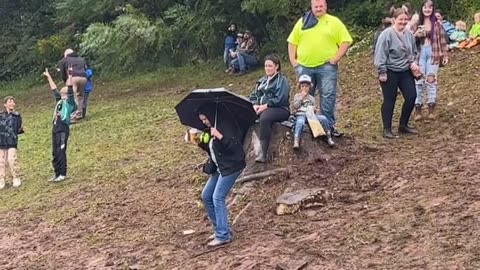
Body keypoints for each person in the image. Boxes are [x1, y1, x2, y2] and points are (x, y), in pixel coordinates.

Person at [287, 0, 352, 137]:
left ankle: (328, 126)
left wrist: (336, 58)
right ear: (311, 7)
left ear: (326, 6)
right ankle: (306, 126)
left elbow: (345, 41)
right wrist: (293, 61)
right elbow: (292, 41)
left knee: (328, 96)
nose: (318, 9)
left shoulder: (334, 22)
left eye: (321, 6)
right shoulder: (303, 21)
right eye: (316, 6)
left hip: (326, 66)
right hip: (304, 66)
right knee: (305, 97)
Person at [196, 104, 246, 247]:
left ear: (211, 115)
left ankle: (223, 235)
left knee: (218, 197)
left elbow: (234, 148)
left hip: (232, 166)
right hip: (220, 167)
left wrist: (220, 136)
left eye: (205, 119)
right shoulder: (209, 129)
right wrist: (199, 142)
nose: (204, 122)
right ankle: (221, 228)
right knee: (206, 196)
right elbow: (213, 150)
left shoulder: (226, 126)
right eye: (202, 120)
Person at [374, 7, 420, 139]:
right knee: (390, 100)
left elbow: (413, 51)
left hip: (405, 71)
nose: (403, 22)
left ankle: (403, 125)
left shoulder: (409, 34)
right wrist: (382, 71)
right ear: (394, 19)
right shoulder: (386, 34)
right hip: (390, 71)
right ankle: (387, 129)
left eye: (406, 19)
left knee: (411, 96)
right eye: (401, 19)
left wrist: (414, 63)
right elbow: (380, 54)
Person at [249, 54, 290, 163]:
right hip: (261, 108)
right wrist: (255, 104)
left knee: (265, 118)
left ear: (276, 66)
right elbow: (253, 95)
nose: (267, 68)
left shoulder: (282, 80)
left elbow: (281, 98)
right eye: (266, 66)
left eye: (270, 66)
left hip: (280, 109)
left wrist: (266, 105)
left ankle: (263, 152)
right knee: (244, 115)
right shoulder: (261, 81)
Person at [413, 0, 448, 121]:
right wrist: (415, 35)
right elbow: (409, 41)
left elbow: (443, 41)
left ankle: (431, 107)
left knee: (431, 79)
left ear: (433, 9)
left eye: (430, 7)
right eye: (425, 7)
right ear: (421, 9)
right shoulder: (417, 23)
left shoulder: (437, 24)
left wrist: (445, 55)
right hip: (420, 54)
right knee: (418, 81)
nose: (427, 9)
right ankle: (418, 108)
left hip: (433, 53)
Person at [42, 67, 77, 182]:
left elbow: (71, 90)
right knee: (55, 151)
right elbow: (54, 90)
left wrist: (70, 75)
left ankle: (63, 173)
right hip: (55, 127)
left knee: (61, 150)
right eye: (62, 94)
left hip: (63, 127)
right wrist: (48, 77)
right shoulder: (59, 101)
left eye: (65, 94)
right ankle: (57, 173)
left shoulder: (70, 103)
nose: (63, 96)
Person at [293, 74, 334, 149]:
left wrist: (315, 110)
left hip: (311, 115)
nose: (304, 88)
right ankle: (296, 140)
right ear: (300, 87)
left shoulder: (311, 98)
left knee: (323, 118)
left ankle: (329, 137)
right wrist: (301, 98)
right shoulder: (297, 96)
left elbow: (314, 108)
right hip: (301, 114)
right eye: (302, 86)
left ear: (309, 87)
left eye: (306, 86)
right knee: (300, 122)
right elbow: (295, 106)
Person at [0, 96, 24, 189]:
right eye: (9, 102)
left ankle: (16, 177)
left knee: (12, 160)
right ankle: (2, 179)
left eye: (13, 102)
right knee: (1, 162)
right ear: (5, 104)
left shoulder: (17, 115)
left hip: (12, 141)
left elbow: (17, 128)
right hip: (1, 141)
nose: (11, 103)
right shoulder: (1, 115)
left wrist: (21, 131)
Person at [58, 49, 87, 122]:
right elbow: (85, 68)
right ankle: (79, 113)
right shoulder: (81, 59)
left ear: (66, 54)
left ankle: (72, 116)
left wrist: (65, 81)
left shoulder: (64, 60)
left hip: (73, 78)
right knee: (80, 95)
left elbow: (63, 73)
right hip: (83, 78)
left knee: (72, 96)